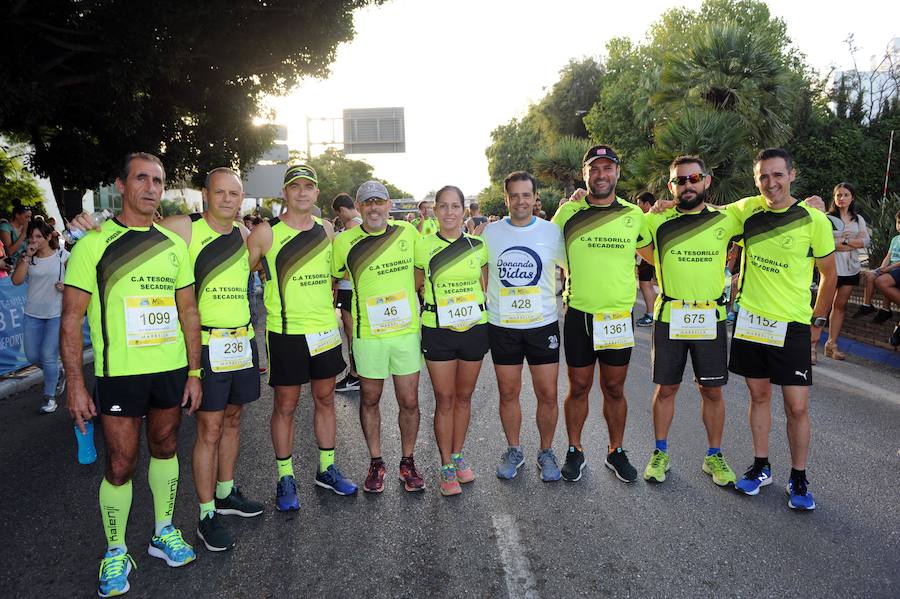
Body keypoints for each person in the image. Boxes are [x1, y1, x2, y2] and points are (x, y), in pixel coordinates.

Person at [61, 152, 202, 597]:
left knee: (165, 448)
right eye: (141, 178)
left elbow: (188, 311)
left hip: (170, 369)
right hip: (120, 373)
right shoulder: (94, 244)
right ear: (121, 185)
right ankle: (116, 551)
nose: (150, 187)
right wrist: (76, 384)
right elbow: (71, 318)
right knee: (120, 464)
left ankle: (163, 531)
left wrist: (194, 372)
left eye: (157, 180)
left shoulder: (173, 245)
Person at [139, 168, 265, 552]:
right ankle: (206, 513)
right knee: (209, 428)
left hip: (241, 342)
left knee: (233, 417)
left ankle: (226, 493)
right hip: (206, 345)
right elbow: (138, 230)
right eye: (220, 192)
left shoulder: (243, 235)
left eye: (234, 193)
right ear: (205, 195)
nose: (228, 199)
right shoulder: (184, 227)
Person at [726, 148, 836, 511]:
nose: (770, 183)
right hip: (752, 321)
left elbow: (829, 275)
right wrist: (665, 205)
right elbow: (704, 216)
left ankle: (799, 476)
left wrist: (817, 324)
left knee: (797, 407)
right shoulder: (746, 211)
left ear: (792, 175)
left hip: (792, 325)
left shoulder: (812, 219)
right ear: (756, 179)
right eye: (763, 177)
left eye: (777, 175)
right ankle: (761, 467)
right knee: (758, 398)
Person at [247, 164, 357, 510]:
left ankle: (326, 469)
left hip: (324, 330)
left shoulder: (326, 230)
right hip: (286, 333)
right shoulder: (266, 232)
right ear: (285, 192)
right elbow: (235, 278)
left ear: (317, 194)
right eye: (296, 186)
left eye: (309, 186)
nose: (302, 192)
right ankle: (285, 476)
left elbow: (342, 274)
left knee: (325, 400)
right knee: (286, 406)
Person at [550, 145, 651, 483]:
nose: (602, 175)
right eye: (595, 169)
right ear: (586, 174)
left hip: (617, 318)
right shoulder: (568, 214)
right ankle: (575, 450)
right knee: (578, 387)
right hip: (580, 314)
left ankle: (615, 450)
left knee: (615, 388)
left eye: (608, 168)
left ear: (617, 174)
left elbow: (655, 253)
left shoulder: (634, 216)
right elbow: (543, 249)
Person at [640, 156, 740, 487]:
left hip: (709, 317)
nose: (687, 185)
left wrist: (812, 207)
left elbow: (767, 206)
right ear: (671, 186)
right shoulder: (657, 222)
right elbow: (639, 243)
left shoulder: (725, 219)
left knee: (711, 390)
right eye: (679, 181)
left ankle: (713, 455)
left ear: (707, 181)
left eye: (693, 178)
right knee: (665, 387)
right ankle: (660, 452)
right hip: (670, 316)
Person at [331, 180, 425, 493]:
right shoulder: (345, 242)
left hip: (405, 334)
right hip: (368, 336)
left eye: (379, 201)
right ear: (358, 207)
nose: (373, 207)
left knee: (409, 400)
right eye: (367, 202)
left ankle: (408, 461)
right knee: (370, 398)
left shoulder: (407, 233)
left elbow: (420, 272)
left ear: (389, 205)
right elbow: (335, 279)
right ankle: (376, 461)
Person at [484, 171, 566, 483]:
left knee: (547, 393)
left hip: (541, 325)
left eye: (526, 195)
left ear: (535, 198)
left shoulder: (551, 232)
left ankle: (546, 451)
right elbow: (479, 271)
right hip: (503, 326)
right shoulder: (489, 234)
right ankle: (514, 449)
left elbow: (572, 267)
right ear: (506, 199)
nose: (521, 201)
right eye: (514, 195)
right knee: (509, 391)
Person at [413, 186, 488, 495]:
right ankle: (445, 466)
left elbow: (485, 284)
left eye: (455, 206)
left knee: (464, 397)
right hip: (438, 329)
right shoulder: (423, 245)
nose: (449, 212)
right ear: (434, 210)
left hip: (473, 328)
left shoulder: (479, 245)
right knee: (444, 399)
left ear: (463, 210)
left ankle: (457, 457)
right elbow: (417, 284)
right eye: (443, 206)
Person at [11, 220, 68, 413]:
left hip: (55, 314)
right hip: (32, 314)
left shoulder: (62, 255)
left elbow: (79, 279)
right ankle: (58, 373)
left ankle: (49, 397)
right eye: (31, 237)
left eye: (38, 237)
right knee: (32, 355)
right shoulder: (29, 258)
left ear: (47, 237)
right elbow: (16, 281)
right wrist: (26, 257)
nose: (34, 241)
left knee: (48, 356)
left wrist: (66, 286)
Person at [821, 182, 870, 360]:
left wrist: (843, 243)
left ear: (852, 197)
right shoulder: (826, 218)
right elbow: (824, 244)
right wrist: (849, 242)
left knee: (840, 306)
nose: (842, 198)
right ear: (834, 198)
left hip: (851, 269)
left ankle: (831, 344)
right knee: (823, 306)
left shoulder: (859, 220)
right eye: (838, 195)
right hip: (831, 267)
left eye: (846, 195)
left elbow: (865, 242)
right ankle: (811, 345)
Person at [331, 192, 364, 392]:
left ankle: (355, 375)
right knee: (357, 333)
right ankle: (360, 373)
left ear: (342, 210)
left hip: (349, 289)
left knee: (352, 334)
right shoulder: (364, 223)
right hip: (356, 289)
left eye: (338, 214)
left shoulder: (352, 226)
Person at [871, 212, 900, 328]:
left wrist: (888, 269)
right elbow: (888, 257)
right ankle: (868, 306)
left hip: (897, 268)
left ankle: (885, 309)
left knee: (881, 281)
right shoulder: (895, 239)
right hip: (892, 268)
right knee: (871, 276)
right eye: (898, 223)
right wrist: (883, 268)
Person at [634, 192, 658, 327]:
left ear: (647, 204)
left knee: (645, 284)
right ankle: (653, 312)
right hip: (649, 256)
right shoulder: (655, 216)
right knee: (647, 284)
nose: (638, 207)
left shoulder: (649, 217)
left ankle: (650, 314)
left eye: (639, 204)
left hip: (647, 256)